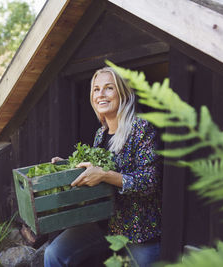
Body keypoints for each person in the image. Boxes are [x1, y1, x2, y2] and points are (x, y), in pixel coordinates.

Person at [44, 67, 162, 267]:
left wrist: (105, 175)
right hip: (103, 222)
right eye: (96, 89)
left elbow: (149, 182)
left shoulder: (141, 128)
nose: (101, 94)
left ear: (123, 94)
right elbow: (94, 171)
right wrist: (67, 167)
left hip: (139, 230)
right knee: (53, 254)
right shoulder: (101, 133)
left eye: (109, 88)